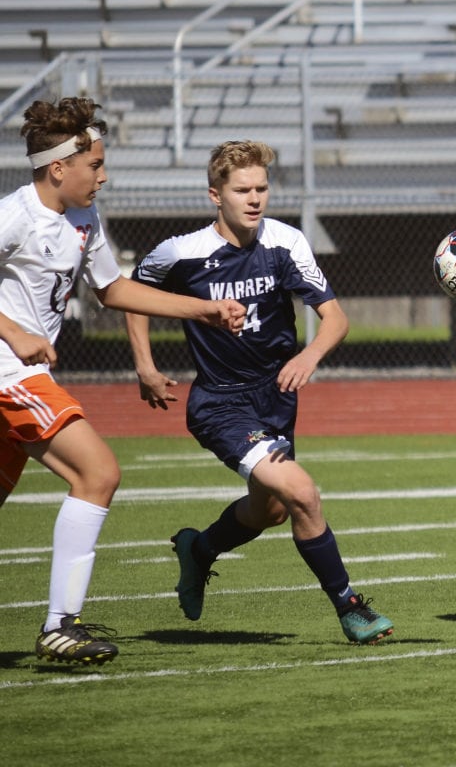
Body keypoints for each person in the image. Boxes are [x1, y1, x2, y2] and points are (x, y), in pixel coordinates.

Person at [0, 97, 245, 666]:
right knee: (98, 472)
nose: (103, 176)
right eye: (95, 165)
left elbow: (112, 290)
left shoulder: (83, 219)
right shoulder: (15, 215)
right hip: (10, 373)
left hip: (21, 373)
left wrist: (203, 309)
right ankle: (60, 625)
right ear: (58, 168)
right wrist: (13, 331)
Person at [124, 140, 394, 645]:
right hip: (220, 403)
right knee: (302, 493)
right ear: (215, 195)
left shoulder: (285, 242)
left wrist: (308, 356)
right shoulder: (181, 252)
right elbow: (132, 296)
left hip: (276, 398)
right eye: (242, 190)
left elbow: (335, 318)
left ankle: (199, 549)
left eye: (261, 189)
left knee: (270, 510)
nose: (254, 199)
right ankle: (351, 608)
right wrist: (145, 366)